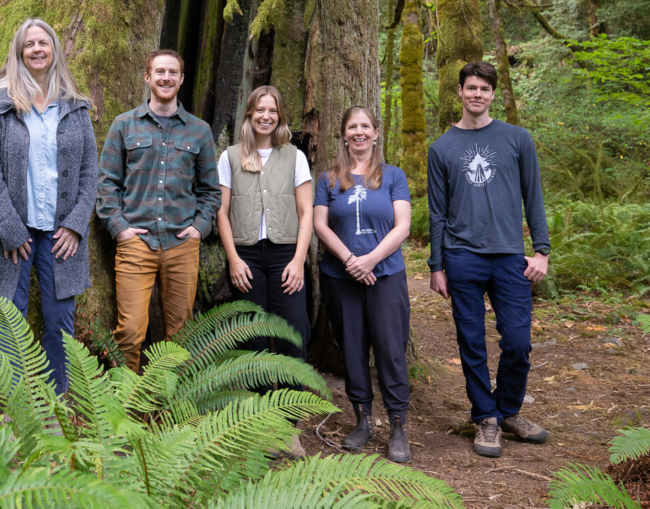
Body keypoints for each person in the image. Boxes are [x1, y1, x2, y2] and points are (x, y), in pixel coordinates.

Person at [0, 18, 98, 396]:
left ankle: (56, 404)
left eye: (44, 42)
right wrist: (9, 228)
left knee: (60, 321)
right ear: (19, 52)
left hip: (61, 234)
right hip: (12, 233)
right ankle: (16, 408)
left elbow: (91, 170)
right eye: (30, 44)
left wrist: (76, 224)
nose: (38, 49)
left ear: (55, 49)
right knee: (11, 319)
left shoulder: (75, 107)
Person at [428, 61, 550, 458]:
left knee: (518, 342)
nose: (477, 94)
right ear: (460, 93)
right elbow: (437, 213)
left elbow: (534, 197)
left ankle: (509, 410)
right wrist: (436, 265)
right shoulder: (442, 148)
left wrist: (541, 251)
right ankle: (486, 417)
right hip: (462, 258)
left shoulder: (517, 138)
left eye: (484, 88)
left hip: (510, 257)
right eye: (470, 88)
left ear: (493, 93)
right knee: (472, 342)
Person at [96, 50, 221, 372]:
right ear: (147, 77)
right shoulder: (124, 125)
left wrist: (199, 228)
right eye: (159, 72)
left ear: (181, 79)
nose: (166, 78)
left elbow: (211, 191)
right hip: (136, 243)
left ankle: (169, 408)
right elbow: (107, 183)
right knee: (130, 331)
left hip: (182, 244)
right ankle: (126, 407)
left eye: (173, 73)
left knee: (181, 336)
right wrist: (119, 228)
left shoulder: (199, 131)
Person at [216, 85, 313, 458]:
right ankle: (260, 423)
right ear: (249, 115)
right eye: (260, 109)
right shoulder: (229, 157)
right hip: (246, 257)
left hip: (286, 253)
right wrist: (233, 260)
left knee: (292, 338)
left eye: (272, 110)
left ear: (280, 116)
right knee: (252, 340)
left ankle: (288, 427)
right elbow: (221, 212)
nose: (266, 116)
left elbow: (305, 213)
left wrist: (298, 261)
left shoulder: (294, 157)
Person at [313, 106, 412, 463]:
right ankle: (364, 420)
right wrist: (351, 262)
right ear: (344, 135)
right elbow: (320, 225)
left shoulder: (393, 176)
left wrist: (370, 260)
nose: (359, 132)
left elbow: (402, 226)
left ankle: (398, 425)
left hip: (385, 275)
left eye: (365, 127)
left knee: (390, 348)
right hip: (341, 277)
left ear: (375, 133)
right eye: (352, 127)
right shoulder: (328, 179)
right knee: (352, 349)